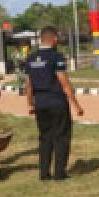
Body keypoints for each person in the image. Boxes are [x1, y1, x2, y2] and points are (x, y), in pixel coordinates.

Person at [24, 27, 84, 181]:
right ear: (54, 39)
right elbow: (64, 83)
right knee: (61, 137)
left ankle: (44, 174)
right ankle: (59, 173)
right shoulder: (56, 57)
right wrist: (76, 105)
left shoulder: (30, 59)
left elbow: (28, 85)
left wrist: (30, 104)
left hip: (40, 103)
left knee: (45, 137)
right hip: (57, 102)